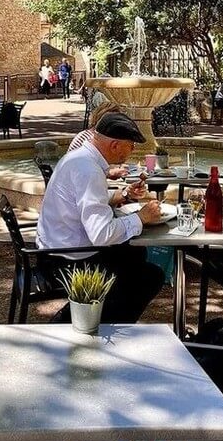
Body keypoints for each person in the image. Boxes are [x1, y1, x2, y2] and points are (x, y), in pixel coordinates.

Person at [37, 112, 165, 323]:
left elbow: (84, 199)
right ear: (114, 145)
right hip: (65, 260)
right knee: (150, 276)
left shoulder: (79, 158)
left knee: (135, 255)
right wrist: (141, 218)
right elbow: (101, 234)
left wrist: (122, 195)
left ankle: (89, 317)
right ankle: (82, 325)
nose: (133, 149)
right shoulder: (88, 169)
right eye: (131, 144)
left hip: (54, 249)